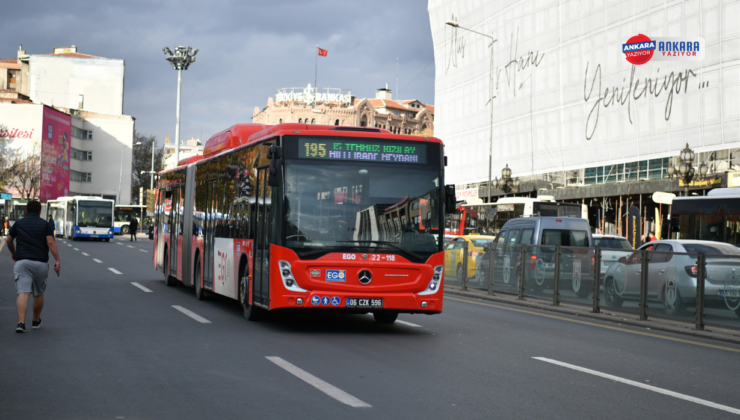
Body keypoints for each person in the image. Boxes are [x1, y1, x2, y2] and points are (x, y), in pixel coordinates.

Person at [6, 200, 61, 333]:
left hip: (22, 262)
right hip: (40, 263)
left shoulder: (18, 223)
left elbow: (8, 239)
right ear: (40, 212)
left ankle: (21, 323)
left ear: (26, 211)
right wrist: (57, 260)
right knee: (38, 292)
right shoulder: (45, 224)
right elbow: (50, 242)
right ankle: (36, 320)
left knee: (23, 292)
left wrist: (14, 253)